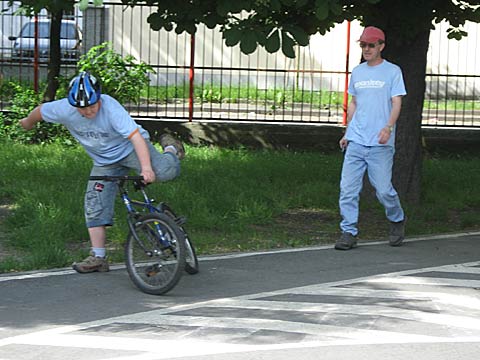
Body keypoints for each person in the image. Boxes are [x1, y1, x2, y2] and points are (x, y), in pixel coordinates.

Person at [19, 71, 185, 272]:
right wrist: (27, 123)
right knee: (94, 203)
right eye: (82, 108)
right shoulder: (63, 109)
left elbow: (136, 138)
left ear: (99, 98)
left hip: (131, 149)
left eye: (92, 105)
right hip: (104, 161)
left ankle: (171, 149)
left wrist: (147, 169)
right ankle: (98, 257)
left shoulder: (110, 107)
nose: (88, 111)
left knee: (165, 172)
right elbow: (40, 111)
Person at [336, 26, 407, 250]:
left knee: (384, 189)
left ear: (381, 47)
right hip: (356, 140)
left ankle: (397, 219)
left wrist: (388, 127)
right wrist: (347, 132)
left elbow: (397, 102)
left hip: (380, 142)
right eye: (363, 45)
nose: (366, 49)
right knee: (348, 189)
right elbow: (354, 103)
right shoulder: (357, 72)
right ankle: (348, 232)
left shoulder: (393, 71)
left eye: (371, 45)